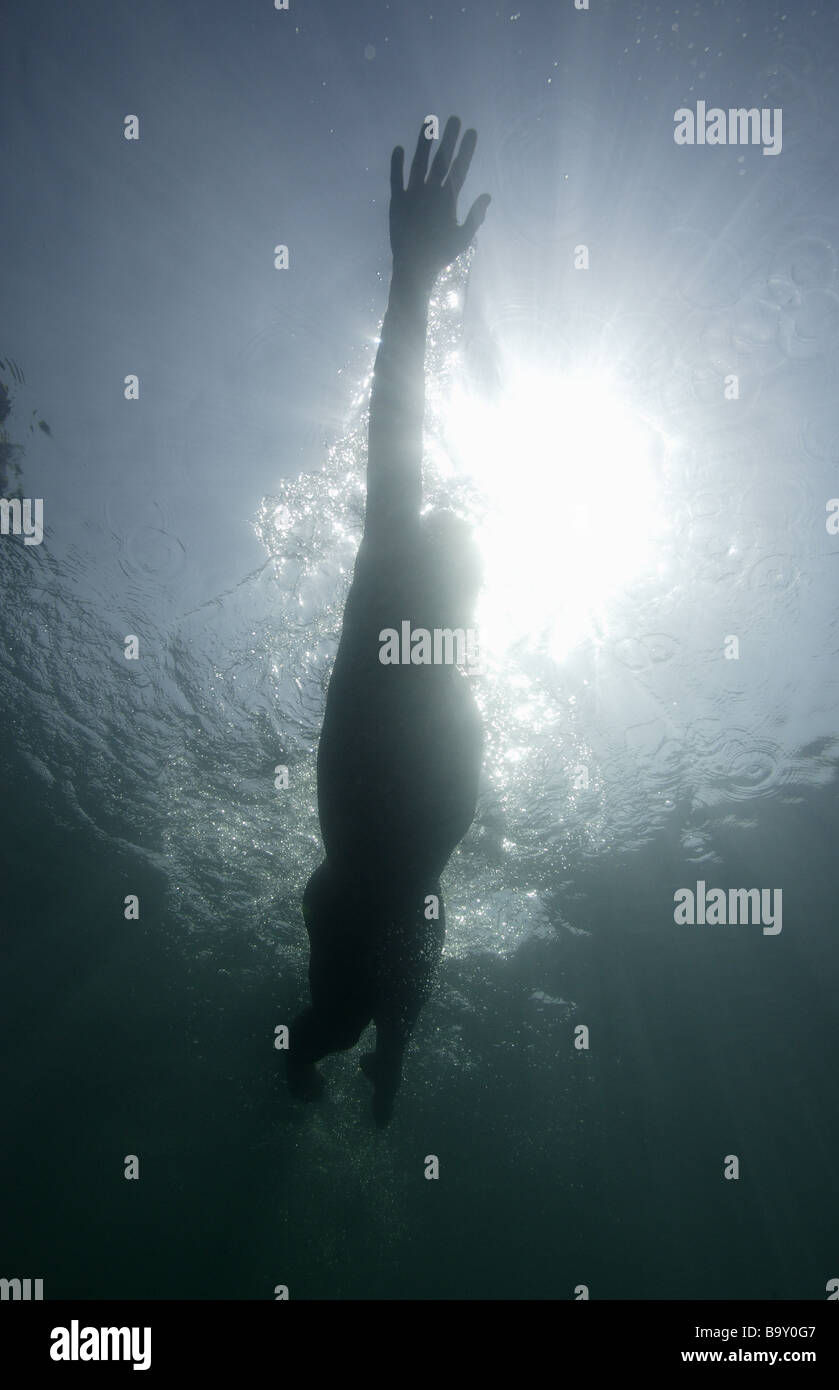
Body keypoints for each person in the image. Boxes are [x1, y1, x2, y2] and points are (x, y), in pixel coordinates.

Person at [287, 116, 491, 1126]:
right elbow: (392, 446)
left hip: (403, 899)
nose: (467, 590)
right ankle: (304, 1067)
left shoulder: (449, 664)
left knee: (393, 1012)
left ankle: (382, 1067)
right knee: (330, 1022)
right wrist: (412, 283)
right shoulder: (385, 607)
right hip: (359, 893)